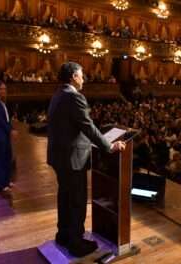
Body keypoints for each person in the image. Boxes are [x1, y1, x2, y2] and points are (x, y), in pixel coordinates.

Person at [47, 62, 126, 257]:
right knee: (77, 201)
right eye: (81, 75)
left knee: (65, 197)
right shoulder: (74, 97)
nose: (84, 79)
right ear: (74, 76)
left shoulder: (58, 95)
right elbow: (88, 127)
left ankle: (63, 235)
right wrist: (109, 146)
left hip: (60, 157)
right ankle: (76, 243)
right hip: (73, 159)